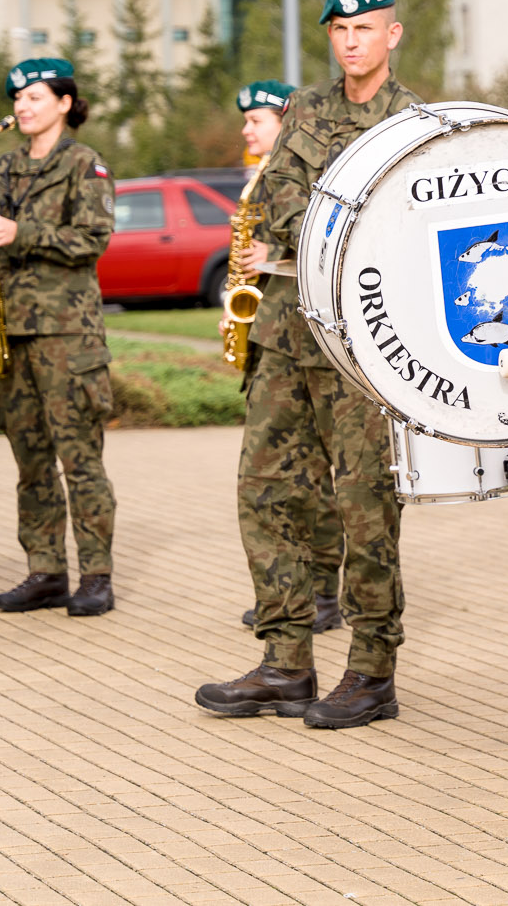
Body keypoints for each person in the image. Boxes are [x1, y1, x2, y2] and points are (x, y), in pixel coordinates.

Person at [195, 0, 419, 727]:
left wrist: (321, 224)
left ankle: (372, 670)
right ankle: (285, 659)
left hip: (365, 339)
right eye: (339, 29)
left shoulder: (414, 122)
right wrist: (339, 216)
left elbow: (411, 221)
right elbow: (276, 196)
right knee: (266, 488)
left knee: (364, 504)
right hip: (285, 330)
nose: (351, 39)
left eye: (366, 26)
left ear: (393, 34)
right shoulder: (309, 111)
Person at [0, 58, 119, 618]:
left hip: (68, 336)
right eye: (17, 97)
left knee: (79, 458)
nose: (22, 106)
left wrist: (20, 233)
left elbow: (94, 238)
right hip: (9, 331)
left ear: (65, 102)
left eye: (35, 96)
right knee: (30, 460)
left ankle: (96, 576)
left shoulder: (85, 164)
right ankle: (44, 569)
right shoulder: (0, 167)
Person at [229, 77, 344, 632]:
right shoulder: (262, 177)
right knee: (276, 479)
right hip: (275, 332)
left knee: (316, 478)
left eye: (257, 119)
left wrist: (269, 256)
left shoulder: (320, 168)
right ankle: (293, 594)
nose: (247, 129)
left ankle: (325, 590)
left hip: (320, 335)